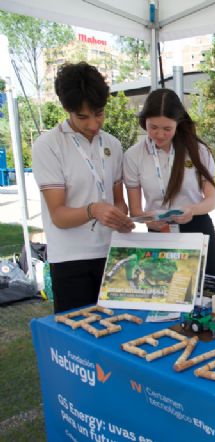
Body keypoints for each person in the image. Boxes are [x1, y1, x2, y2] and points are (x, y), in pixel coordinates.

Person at [32, 62, 134, 313]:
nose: (93, 124)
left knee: (119, 330)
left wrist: (120, 216)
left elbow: (118, 199)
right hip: (70, 259)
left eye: (99, 113)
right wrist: (94, 210)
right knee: (78, 338)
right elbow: (59, 216)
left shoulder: (112, 144)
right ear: (67, 109)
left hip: (112, 255)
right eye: (82, 116)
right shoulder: (49, 145)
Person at [124, 88, 215, 277]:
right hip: (159, 232)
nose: (160, 134)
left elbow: (212, 200)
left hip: (197, 228)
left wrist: (192, 210)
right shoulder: (133, 156)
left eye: (167, 129)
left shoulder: (197, 151)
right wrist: (148, 220)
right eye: (153, 127)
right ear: (143, 122)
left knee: (213, 293)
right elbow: (135, 211)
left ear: (178, 124)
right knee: (164, 292)